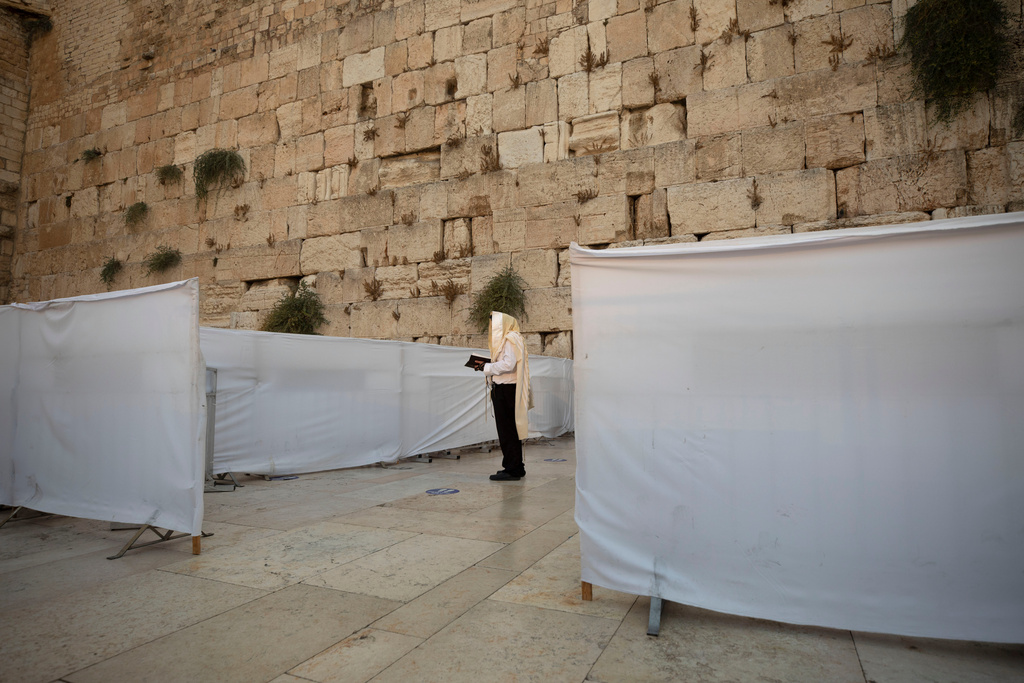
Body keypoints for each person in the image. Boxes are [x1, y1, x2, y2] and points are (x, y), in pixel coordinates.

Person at [473, 311, 532, 481]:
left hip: (507, 389)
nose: (492, 328)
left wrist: (486, 367)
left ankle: (512, 468)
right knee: (509, 430)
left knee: (507, 430)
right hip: (505, 388)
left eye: (494, 324)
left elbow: (509, 364)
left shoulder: (510, 338)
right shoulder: (512, 338)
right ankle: (515, 466)